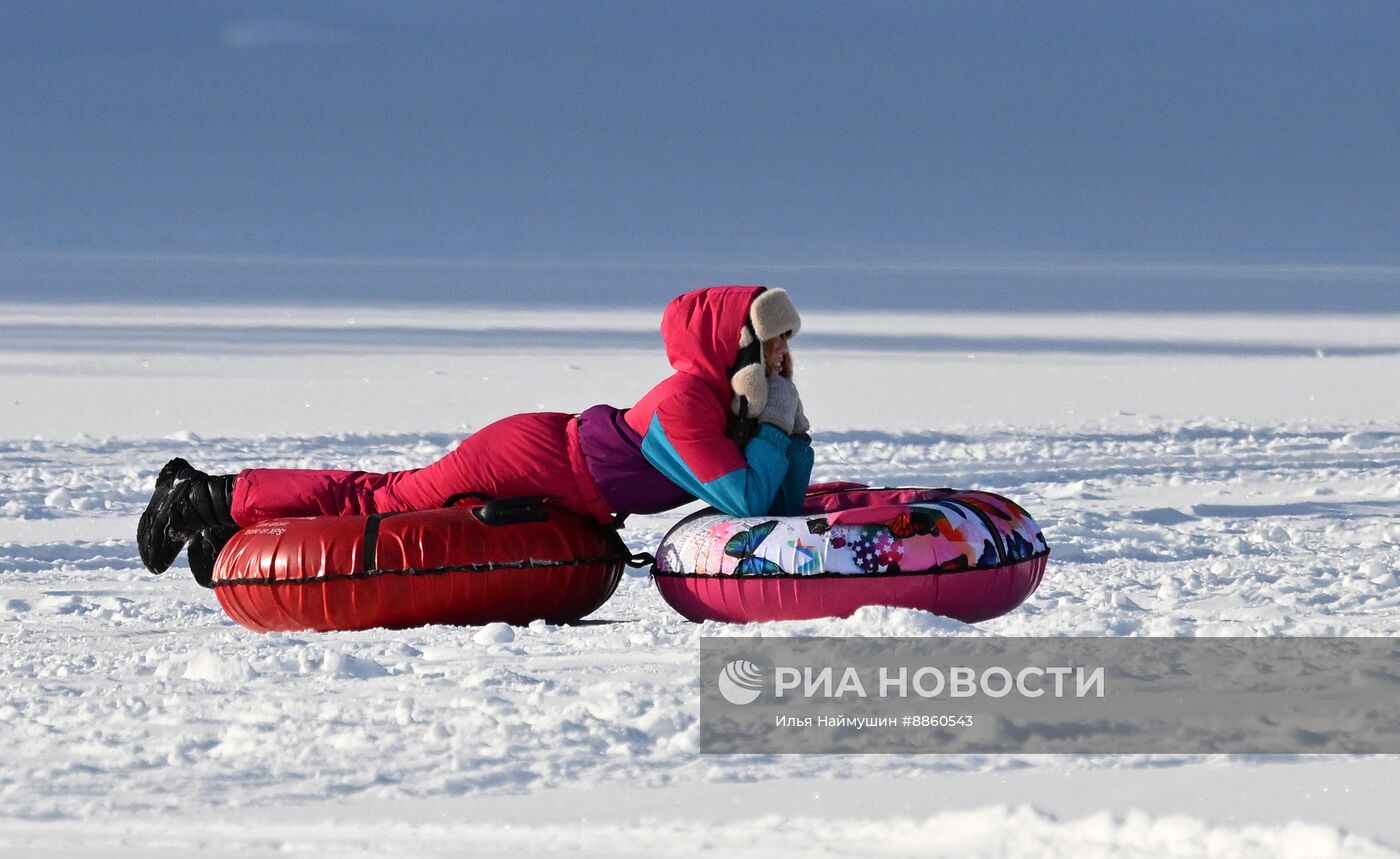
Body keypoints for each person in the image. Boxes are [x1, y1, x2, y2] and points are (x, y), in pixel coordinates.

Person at [137, 285, 815, 587]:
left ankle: (227, 534)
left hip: (559, 462)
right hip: (528, 456)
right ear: (738, 346)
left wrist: (791, 425)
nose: (782, 359)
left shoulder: (728, 406)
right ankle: (205, 498)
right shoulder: (688, 406)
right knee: (380, 502)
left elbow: (780, 504)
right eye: (773, 345)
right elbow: (746, 504)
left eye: (786, 347)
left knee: (385, 496)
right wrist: (779, 418)